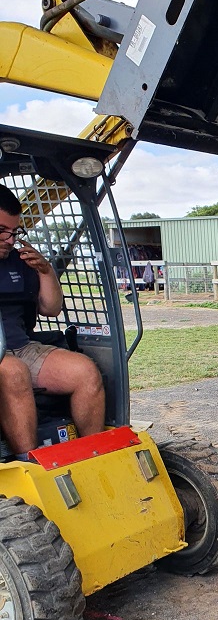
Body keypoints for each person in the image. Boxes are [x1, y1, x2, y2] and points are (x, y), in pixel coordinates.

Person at [0, 185, 105, 459]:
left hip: (19, 346)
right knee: (13, 372)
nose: (10, 240)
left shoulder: (19, 261)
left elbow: (51, 308)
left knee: (84, 371)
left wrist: (46, 271)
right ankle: (31, 464)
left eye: (14, 232)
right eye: (2, 231)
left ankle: (94, 456)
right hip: (5, 360)